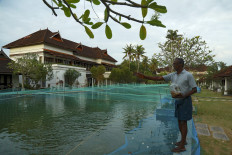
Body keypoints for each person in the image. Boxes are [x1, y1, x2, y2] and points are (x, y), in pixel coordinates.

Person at [135, 58, 197, 153]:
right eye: (173, 63)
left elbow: (194, 89)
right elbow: (159, 78)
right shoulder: (173, 75)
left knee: (183, 122)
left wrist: (183, 95)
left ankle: (182, 146)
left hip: (185, 101)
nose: (173, 65)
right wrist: (145, 77)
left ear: (180, 64)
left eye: (175, 64)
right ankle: (183, 141)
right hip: (177, 100)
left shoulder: (188, 75)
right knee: (180, 121)